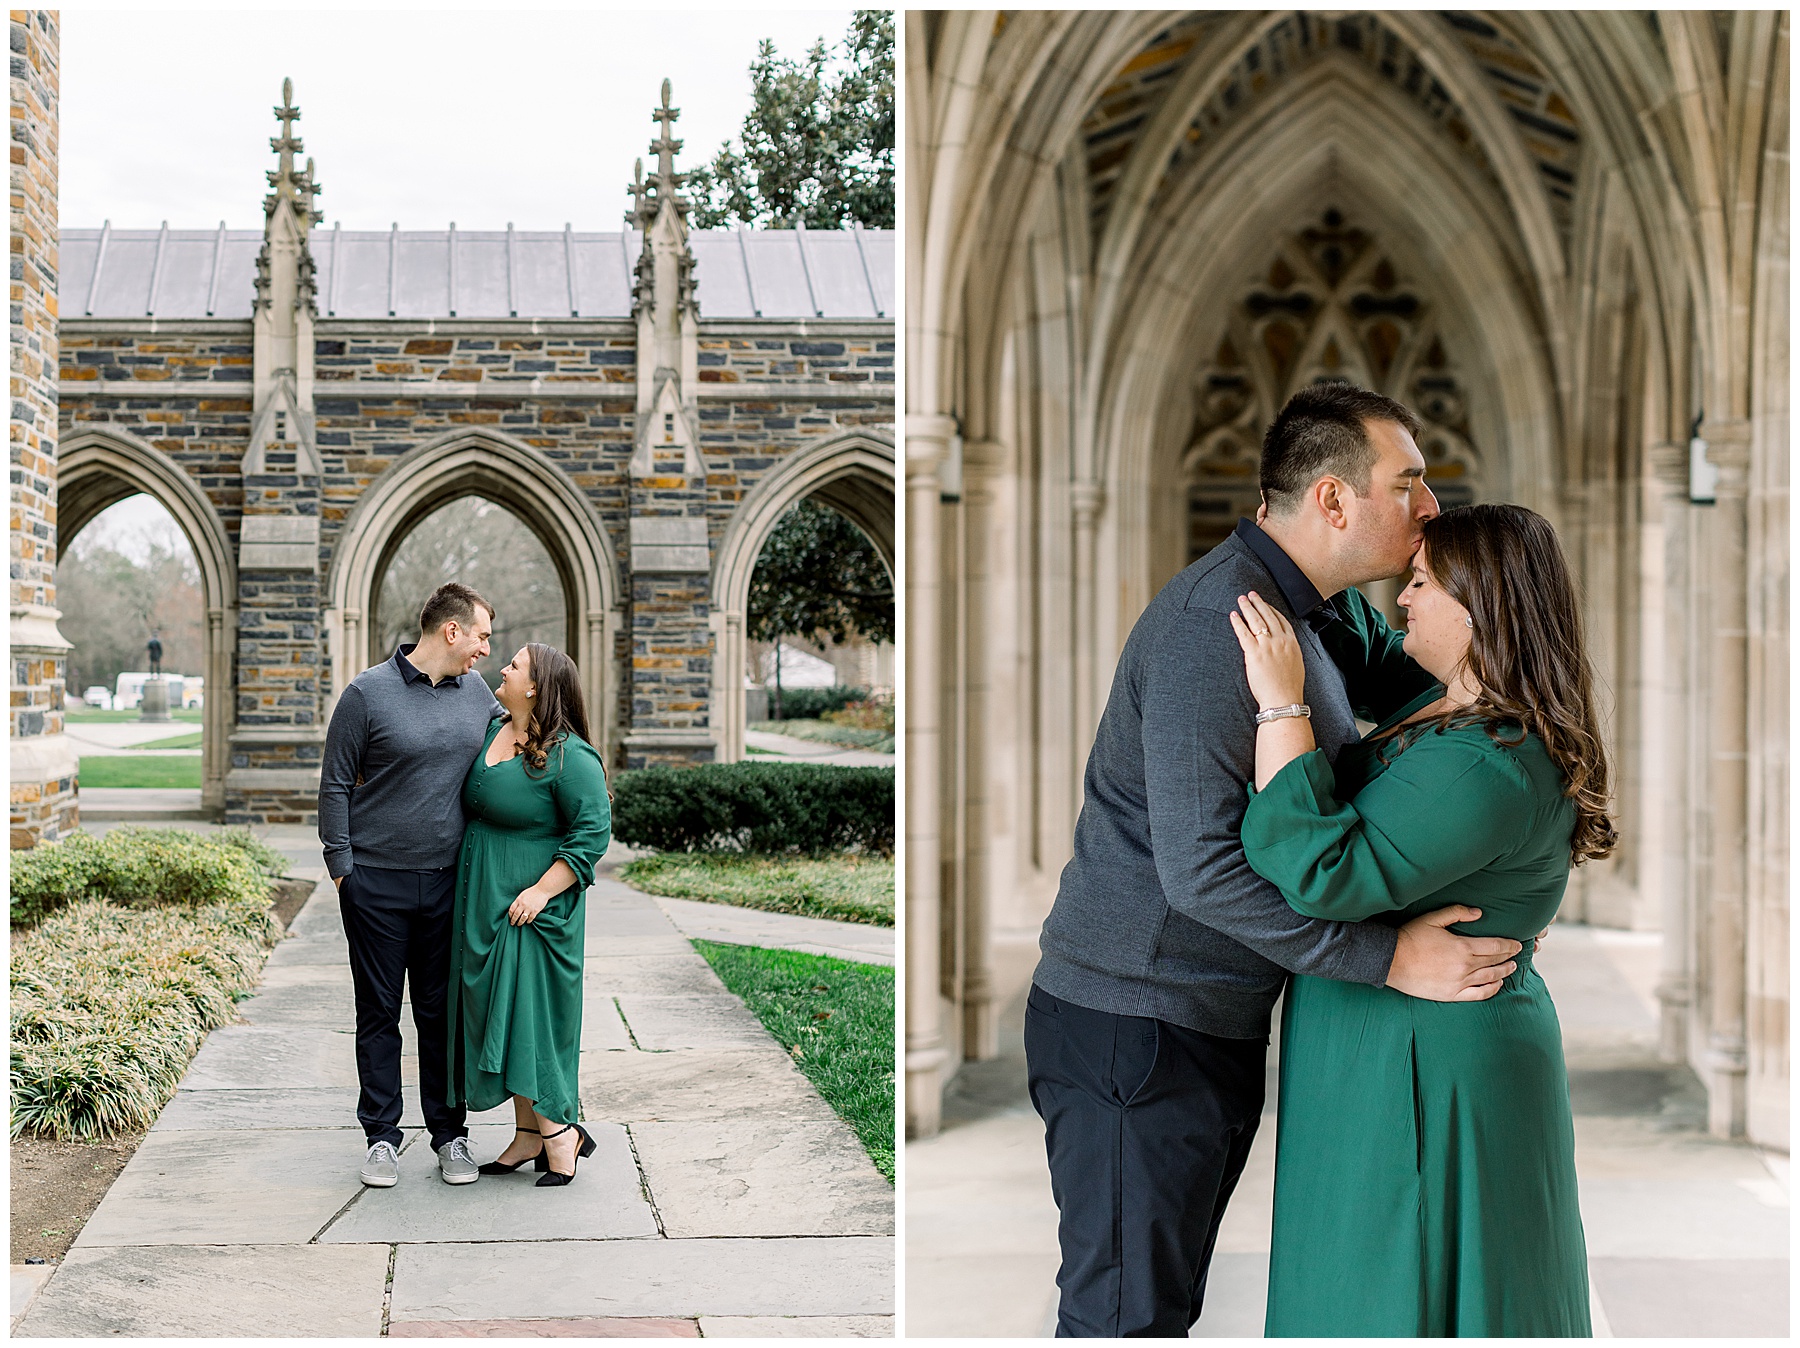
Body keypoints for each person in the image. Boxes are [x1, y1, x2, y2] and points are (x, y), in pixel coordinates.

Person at [1024, 382, 1528, 1337]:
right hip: (1137, 1026)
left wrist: (1516, 617)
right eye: (1410, 483)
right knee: (1124, 1319)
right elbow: (1202, 873)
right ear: (1334, 501)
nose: (1432, 507)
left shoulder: (1321, 613)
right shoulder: (1221, 629)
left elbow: (1444, 668)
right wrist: (1387, 959)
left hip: (1198, 1022)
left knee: (1154, 1309)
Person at [1234, 503, 1609, 1336]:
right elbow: (1363, 637)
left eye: (1421, 582)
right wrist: (1295, 533)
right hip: (1389, 1043)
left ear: (1479, 608)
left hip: (1427, 1063)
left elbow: (1320, 872)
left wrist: (1280, 705)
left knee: (1403, 1287)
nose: (1403, 598)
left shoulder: (1488, 761)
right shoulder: (1448, 704)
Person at [318, 582, 500, 1188]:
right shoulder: (366, 694)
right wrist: (342, 865)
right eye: (480, 635)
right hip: (375, 883)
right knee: (377, 1012)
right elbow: (336, 783)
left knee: (440, 1015)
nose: (484, 649)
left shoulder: (476, 693)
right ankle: (381, 1138)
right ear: (451, 631)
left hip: (451, 883)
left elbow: (526, 736)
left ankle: (450, 1137)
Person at [448, 641, 611, 1186]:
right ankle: (528, 1135)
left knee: (531, 1020)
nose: (502, 668)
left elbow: (592, 834)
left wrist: (543, 890)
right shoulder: (496, 729)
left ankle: (561, 1135)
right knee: (500, 1011)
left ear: (537, 685)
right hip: (485, 901)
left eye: (514, 665)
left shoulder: (572, 756)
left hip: (534, 913)